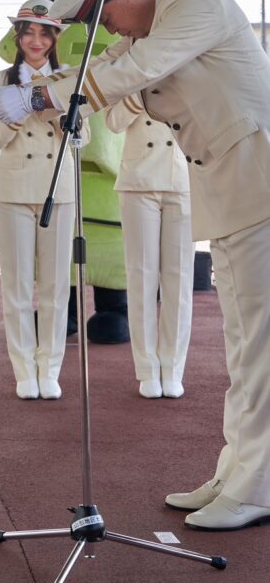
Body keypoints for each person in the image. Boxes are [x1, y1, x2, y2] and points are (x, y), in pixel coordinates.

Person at [0, 0, 270, 531]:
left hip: (258, 182)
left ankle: (258, 483)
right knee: (243, 343)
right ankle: (238, 468)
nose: (107, 30)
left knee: (261, 345)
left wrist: (30, 95)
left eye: (104, 15)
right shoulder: (148, 23)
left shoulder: (196, 2)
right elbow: (107, 69)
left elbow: (137, 70)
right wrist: (27, 97)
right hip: (230, 187)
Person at [0, 0, 77, 400]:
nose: (35, 40)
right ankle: (24, 369)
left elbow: (83, 139)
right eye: (28, 31)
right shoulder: (1, 78)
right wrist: (19, 110)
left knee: (57, 286)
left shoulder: (69, 78)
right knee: (17, 286)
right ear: (18, 37)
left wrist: (55, 112)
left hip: (58, 188)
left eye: (44, 32)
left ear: (54, 38)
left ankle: (50, 367)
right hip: (14, 189)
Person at [105, 102, 193, 399]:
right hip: (138, 178)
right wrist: (137, 93)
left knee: (179, 279)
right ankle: (146, 368)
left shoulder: (191, 66)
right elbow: (114, 122)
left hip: (184, 177)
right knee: (141, 276)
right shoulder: (132, 70)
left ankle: (173, 368)